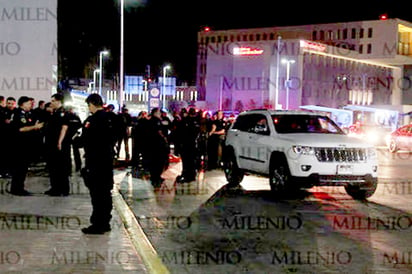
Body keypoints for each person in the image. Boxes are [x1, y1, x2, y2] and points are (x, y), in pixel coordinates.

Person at [81, 93, 115, 234]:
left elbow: (86, 139)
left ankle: (98, 224)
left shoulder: (93, 120)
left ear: (92, 104)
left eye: (89, 105)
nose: (89, 108)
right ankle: (105, 222)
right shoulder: (111, 118)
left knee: (97, 194)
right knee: (105, 193)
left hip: (95, 161)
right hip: (107, 160)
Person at [9, 96, 44, 195]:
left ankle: (20, 187)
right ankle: (16, 189)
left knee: (23, 168)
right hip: (19, 146)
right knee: (19, 168)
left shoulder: (28, 114)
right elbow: (21, 129)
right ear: (23, 104)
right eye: (28, 104)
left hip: (26, 145)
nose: (30, 105)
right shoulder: (18, 114)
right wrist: (34, 127)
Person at [43, 93, 72, 196]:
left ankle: (63, 189)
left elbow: (64, 128)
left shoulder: (63, 113)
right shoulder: (54, 113)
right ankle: (54, 187)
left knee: (60, 167)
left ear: (59, 101)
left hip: (58, 144)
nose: (51, 103)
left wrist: (59, 141)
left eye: (53, 101)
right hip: (51, 143)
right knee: (53, 167)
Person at [145, 107, 169, 186]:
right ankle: (156, 178)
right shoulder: (156, 121)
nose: (160, 114)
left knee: (153, 161)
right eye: (158, 112)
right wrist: (165, 139)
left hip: (151, 145)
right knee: (158, 162)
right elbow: (159, 132)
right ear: (155, 113)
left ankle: (154, 177)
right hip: (158, 145)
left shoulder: (149, 121)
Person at [176, 108, 200, 183]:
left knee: (186, 161)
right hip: (193, 144)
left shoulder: (185, 120)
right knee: (192, 160)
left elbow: (179, 132)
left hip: (186, 144)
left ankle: (186, 175)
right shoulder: (197, 121)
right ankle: (192, 175)